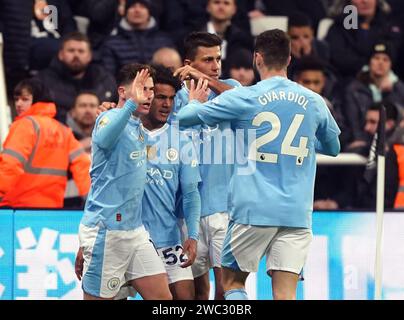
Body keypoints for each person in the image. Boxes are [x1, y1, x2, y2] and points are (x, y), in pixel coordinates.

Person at [177, 29, 341, 300]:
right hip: (297, 213)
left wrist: (194, 102)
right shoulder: (314, 101)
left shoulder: (245, 97)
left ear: (257, 59)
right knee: (285, 293)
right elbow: (333, 147)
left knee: (231, 282)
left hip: (253, 210)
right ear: (289, 60)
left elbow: (185, 118)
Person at [77, 64, 172, 300]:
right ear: (122, 92)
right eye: (141, 88)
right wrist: (130, 103)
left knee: (163, 299)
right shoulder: (107, 118)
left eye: (150, 89)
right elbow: (105, 138)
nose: (147, 95)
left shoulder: (137, 126)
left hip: (135, 231)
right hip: (108, 231)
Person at [172, 31, 241, 300]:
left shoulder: (229, 89)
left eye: (218, 58)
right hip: (186, 208)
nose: (216, 65)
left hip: (225, 207)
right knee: (198, 291)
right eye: (208, 60)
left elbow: (243, 99)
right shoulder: (173, 99)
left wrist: (206, 81)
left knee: (227, 288)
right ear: (189, 62)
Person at [0, 78, 91, 208]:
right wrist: (91, 201)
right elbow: (83, 166)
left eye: (25, 99)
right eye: (16, 99)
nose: (19, 104)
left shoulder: (25, 125)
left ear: (37, 100)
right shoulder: (63, 130)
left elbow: (10, 164)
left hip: (17, 207)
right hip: (51, 210)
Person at [35, 32, 117, 123]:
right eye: (71, 50)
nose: (76, 55)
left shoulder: (104, 79)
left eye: (81, 51)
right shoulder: (43, 81)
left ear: (89, 56)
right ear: (61, 54)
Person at [344, 42, 404, 147]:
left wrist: (387, 94)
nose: (380, 63)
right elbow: (352, 121)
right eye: (376, 58)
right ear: (369, 62)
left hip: (392, 143)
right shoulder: (354, 89)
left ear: (390, 64)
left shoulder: (399, 88)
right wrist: (359, 140)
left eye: (385, 59)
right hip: (362, 142)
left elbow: (397, 119)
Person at [101, 0, 174, 76]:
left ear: (149, 11)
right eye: (132, 6)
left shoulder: (164, 40)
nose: (137, 10)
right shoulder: (112, 43)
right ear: (125, 11)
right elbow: (108, 75)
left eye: (142, 7)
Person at [64, 91, 100, 209]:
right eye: (83, 106)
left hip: (101, 205)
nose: (88, 110)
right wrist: (77, 148)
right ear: (73, 111)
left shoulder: (111, 134)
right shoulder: (60, 135)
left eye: (92, 106)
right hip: (66, 205)